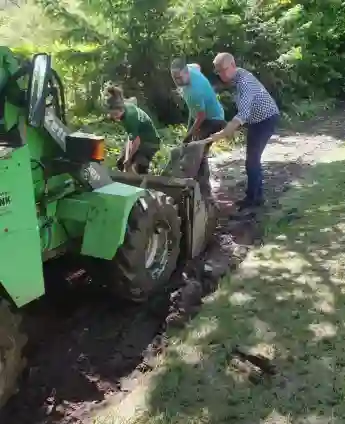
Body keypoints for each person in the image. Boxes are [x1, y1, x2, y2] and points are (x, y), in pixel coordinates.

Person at [206, 52, 280, 211]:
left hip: (266, 119)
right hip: (256, 120)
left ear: (233, 65)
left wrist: (221, 134)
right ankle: (253, 196)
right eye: (218, 71)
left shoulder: (244, 81)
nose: (221, 74)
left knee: (252, 160)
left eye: (223, 70)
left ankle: (255, 200)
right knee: (251, 159)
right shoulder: (235, 78)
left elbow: (243, 115)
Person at [170, 58, 226, 197]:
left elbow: (201, 117)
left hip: (213, 120)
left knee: (197, 152)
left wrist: (188, 136)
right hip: (204, 115)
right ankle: (193, 181)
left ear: (186, 73)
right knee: (191, 148)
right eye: (174, 78)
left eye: (179, 77)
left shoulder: (193, 92)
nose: (177, 81)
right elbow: (197, 65)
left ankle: (204, 193)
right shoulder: (191, 68)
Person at [103, 84, 160, 174]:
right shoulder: (123, 110)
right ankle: (127, 181)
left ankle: (142, 184)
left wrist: (129, 159)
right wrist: (126, 159)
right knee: (121, 163)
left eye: (116, 114)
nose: (115, 117)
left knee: (139, 167)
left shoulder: (130, 117)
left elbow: (136, 141)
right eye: (112, 115)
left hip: (150, 142)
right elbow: (130, 138)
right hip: (137, 138)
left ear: (122, 110)